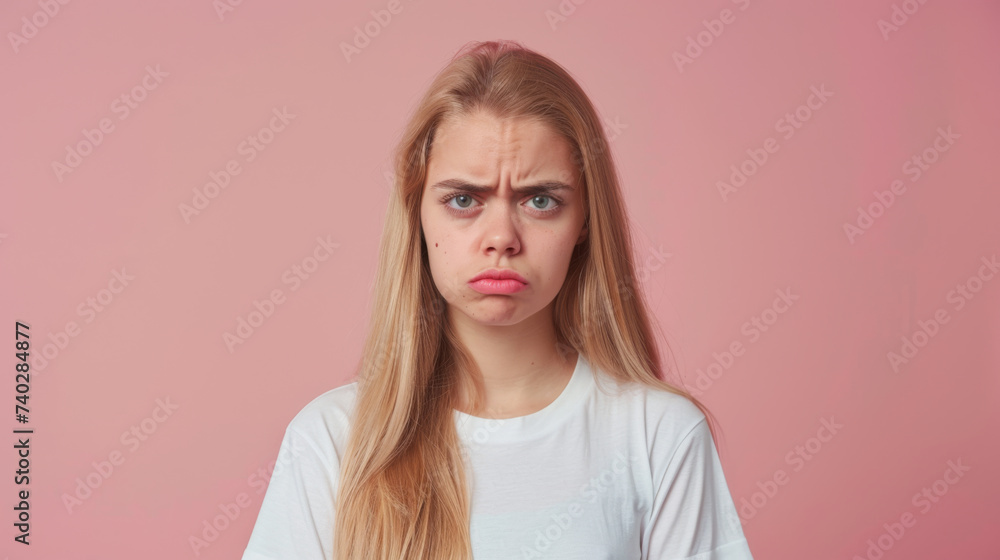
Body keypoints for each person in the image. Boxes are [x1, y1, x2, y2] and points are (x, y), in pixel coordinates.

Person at [241, 39, 754, 560]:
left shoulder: (659, 436)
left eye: (540, 200)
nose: (502, 238)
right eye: (463, 199)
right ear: (418, 215)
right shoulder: (331, 442)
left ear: (584, 221)